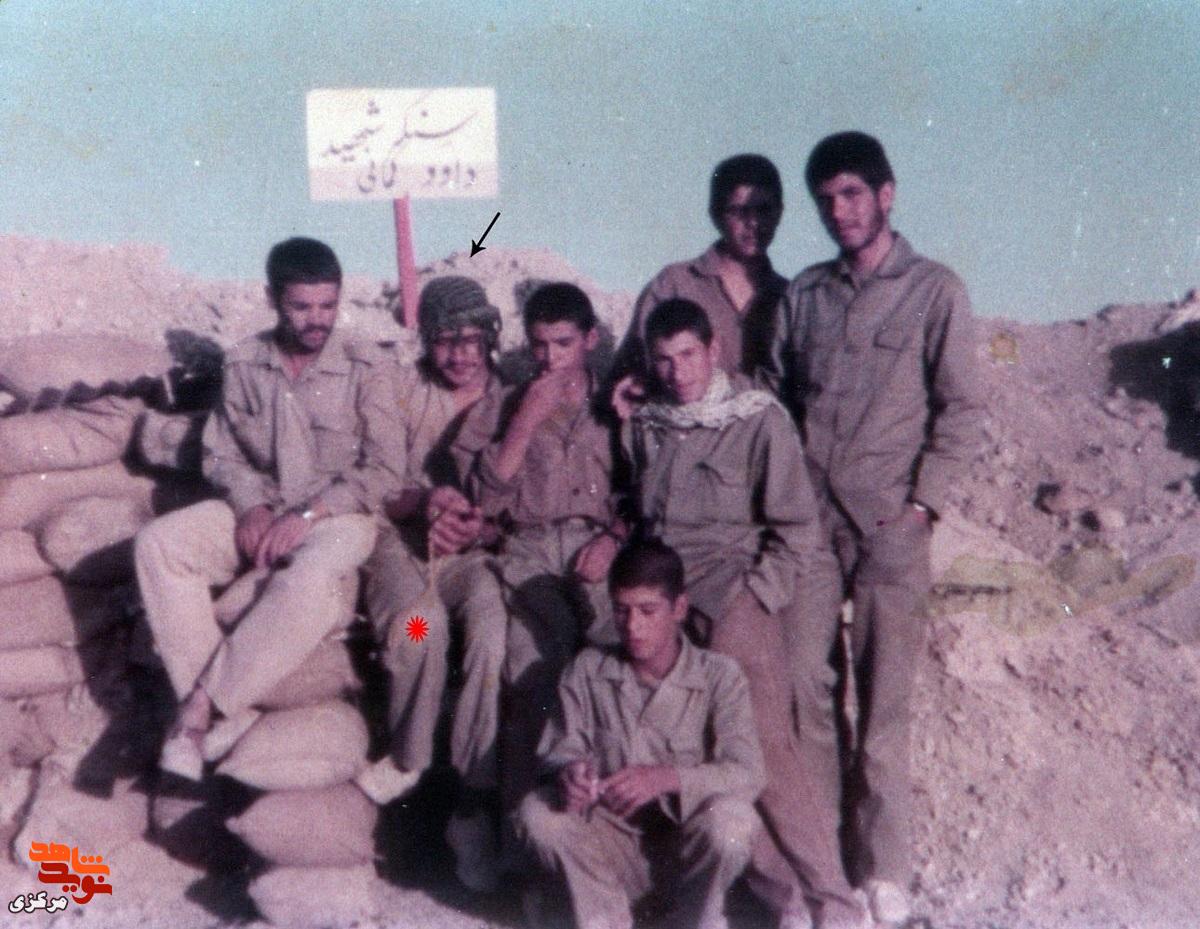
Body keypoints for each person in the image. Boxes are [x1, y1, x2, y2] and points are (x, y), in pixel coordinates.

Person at [761, 131, 983, 925]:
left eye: (852, 193)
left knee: (884, 707)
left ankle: (885, 868)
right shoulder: (805, 296)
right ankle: (823, 865)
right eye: (825, 199)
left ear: (886, 195)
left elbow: (961, 407)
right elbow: (774, 396)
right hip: (812, 526)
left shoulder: (934, 291)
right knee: (804, 691)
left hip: (890, 525)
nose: (839, 211)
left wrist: (924, 505)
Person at [614, 299, 869, 929]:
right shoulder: (646, 425)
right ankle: (782, 897)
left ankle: (835, 901)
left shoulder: (756, 420)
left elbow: (797, 529)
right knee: (691, 748)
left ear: (714, 352)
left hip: (731, 595)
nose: (677, 372)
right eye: (663, 360)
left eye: (688, 355)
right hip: (666, 601)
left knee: (767, 751)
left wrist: (756, 596)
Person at [135, 237, 403, 781]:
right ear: (272, 299)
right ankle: (230, 712)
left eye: (328, 305)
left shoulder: (366, 365)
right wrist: (252, 506)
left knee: (309, 581)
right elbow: (221, 453)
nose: (317, 319)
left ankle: (200, 709)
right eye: (301, 306)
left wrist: (307, 516)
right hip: (263, 508)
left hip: (338, 517)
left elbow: (384, 470)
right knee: (159, 544)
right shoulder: (244, 363)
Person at [518, 538, 764, 929]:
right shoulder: (587, 669)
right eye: (621, 610)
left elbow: (747, 772)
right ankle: (606, 919)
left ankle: (688, 921)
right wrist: (570, 775)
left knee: (733, 822)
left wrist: (668, 778)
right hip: (611, 851)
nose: (633, 627)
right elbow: (560, 750)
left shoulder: (720, 676)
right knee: (539, 813)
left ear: (679, 608)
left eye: (648, 611)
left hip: (685, 852)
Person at [358, 275, 509, 891]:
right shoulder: (400, 390)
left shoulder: (508, 398)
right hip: (406, 548)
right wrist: (428, 503)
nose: (461, 355)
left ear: (491, 339)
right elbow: (380, 486)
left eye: (473, 340)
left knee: (491, 634)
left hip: (473, 556)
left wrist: (477, 525)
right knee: (423, 632)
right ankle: (411, 758)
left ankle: (473, 799)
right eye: (446, 341)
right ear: (427, 342)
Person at [464, 282, 628, 815]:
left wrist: (613, 538)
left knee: (615, 657)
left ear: (590, 340)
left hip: (600, 544)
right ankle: (521, 820)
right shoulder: (509, 404)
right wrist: (526, 421)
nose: (550, 358)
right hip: (529, 548)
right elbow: (484, 500)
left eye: (563, 344)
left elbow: (647, 487)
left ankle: (609, 810)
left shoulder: (617, 402)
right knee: (532, 670)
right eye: (539, 345)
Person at [612, 153, 787, 382]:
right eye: (739, 211)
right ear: (716, 215)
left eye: (763, 210)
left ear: (779, 212)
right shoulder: (673, 285)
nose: (753, 223)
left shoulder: (792, 296)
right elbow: (631, 372)